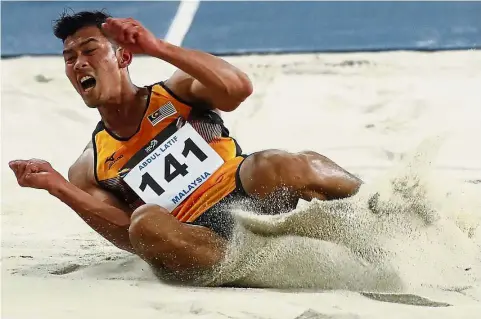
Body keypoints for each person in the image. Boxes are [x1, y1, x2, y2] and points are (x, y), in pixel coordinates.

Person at [9, 11, 362, 283]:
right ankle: (262, 268)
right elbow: (129, 237)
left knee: (275, 163)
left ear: (123, 58)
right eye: (70, 58)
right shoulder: (90, 166)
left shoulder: (177, 92)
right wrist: (59, 188)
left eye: (89, 50)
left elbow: (238, 88)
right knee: (145, 223)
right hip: (199, 237)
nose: (79, 63)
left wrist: (157, 48)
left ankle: (381, 205)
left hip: (247, 187)